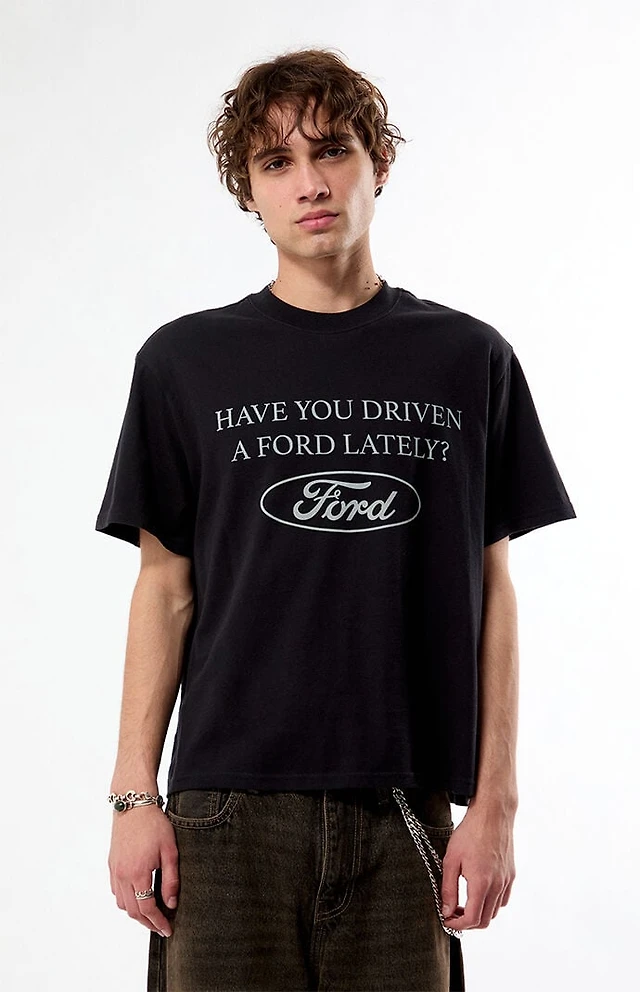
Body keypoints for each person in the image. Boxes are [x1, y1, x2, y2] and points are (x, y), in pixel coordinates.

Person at [96, 48, 577, 992]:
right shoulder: (185, 363)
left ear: (378, 163)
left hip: (403, 805)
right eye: (276, 162)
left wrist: (496, 803)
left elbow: (494, 592)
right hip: (223, 812)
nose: (309, 184)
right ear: (250, 192)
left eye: (333, 151)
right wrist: (131, 795)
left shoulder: (467, 359)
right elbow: (164, 588)